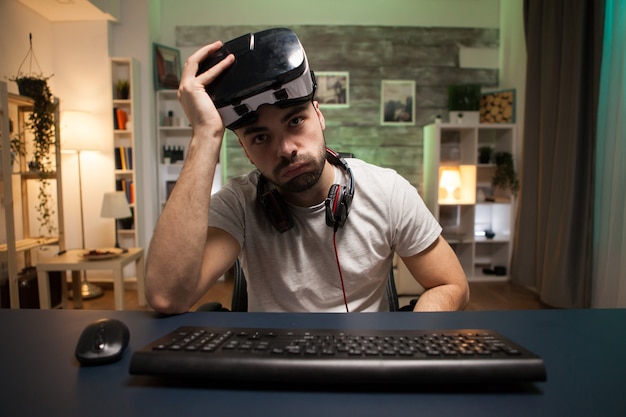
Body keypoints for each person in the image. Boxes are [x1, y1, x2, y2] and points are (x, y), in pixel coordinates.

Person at [145, 28, 469, 314]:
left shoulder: (388, 191)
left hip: (367, 368)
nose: (286, 148)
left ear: (319, 115)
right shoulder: (237, 205)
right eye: (260, 137)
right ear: (244, 149)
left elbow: (451, 285)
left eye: (295, 121)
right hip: (271, 373)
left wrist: (409, 346)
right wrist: (205, 135)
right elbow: (166, 296)